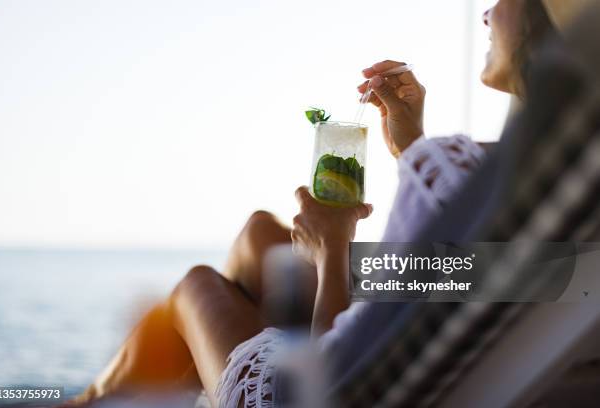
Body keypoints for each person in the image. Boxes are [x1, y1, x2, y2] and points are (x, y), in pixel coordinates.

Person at [67, 1, 588, 407]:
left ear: (549, 20)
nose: (487, 11)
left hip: (326, 387)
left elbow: (334, 387)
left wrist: (333, 248)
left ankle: (95, 401)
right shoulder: (565, 171)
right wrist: (412, 149)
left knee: (196, 286)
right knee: (260, 235)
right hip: (437, 334)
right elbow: (461, 273)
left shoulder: (476, 165)